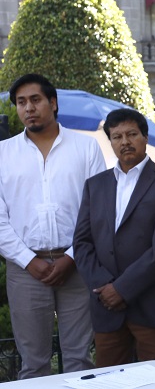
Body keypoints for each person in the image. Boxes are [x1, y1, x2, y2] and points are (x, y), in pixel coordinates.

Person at [0, 74, 105, 378]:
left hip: (77, 265)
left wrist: (72, 258)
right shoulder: (3, 153)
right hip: (24, 269)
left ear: (53, 103)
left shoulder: (86, 148)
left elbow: (97, 211)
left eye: (35, 100)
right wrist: (28, 261)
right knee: (33, 363)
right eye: (21, 102)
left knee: (80, 360)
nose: (28, 108)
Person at [73, 108, 155, 367]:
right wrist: (105, 287)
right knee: (109, 381)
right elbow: (81, 243)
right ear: (110, 141)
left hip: (152, 304)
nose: (124, 142)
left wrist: (121, 289)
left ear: (145, 138)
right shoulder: (96, 185)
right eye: (116, 137)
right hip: (106, 306)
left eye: (132, 134)